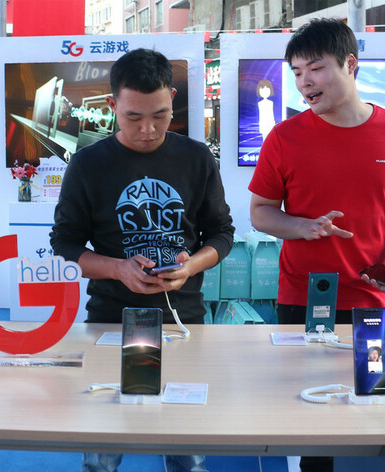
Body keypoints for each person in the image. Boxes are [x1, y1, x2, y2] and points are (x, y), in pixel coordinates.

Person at [248, 20, 385, 470]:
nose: (304, 82)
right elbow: (261, 212)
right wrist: (303, 227)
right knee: (314, 423)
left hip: (371, 299)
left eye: (315, 68)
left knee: (373, 407)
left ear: (350, 64)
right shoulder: (283, 138)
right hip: (304, 299)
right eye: (296, 72)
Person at [50, 48, 234, 472]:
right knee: (101, 454)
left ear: (172, 99)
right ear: (112, 105)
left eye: (160, 115)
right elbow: (64, 244)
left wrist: (190, 266)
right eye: (133, 117)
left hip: (182, 321)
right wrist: (117, 269)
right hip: (110, 320)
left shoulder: (196, 158)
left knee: (188, 455)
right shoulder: (88, 164)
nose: (148, 130)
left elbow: (221, 234)